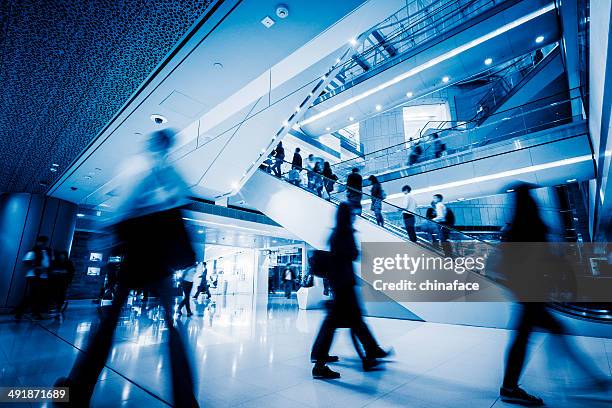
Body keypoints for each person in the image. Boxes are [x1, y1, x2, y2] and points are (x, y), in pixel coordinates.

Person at [55, 129, 199, 408]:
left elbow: (125, 204)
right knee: (171, 324)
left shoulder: (140, 166)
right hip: (162, 255)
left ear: (153, 142)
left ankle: (76, 391)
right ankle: (184, 399)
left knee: (108, 322)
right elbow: (184, 206)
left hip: (139, 247)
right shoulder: (173, 173)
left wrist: (105, 229)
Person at [497, 184, 610, 406]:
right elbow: (549, 258)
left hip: (527, 294)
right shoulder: (533, 225)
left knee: (535, 335)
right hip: (534, 294)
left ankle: (591, 379)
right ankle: (510, 387)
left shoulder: (513, 229)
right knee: (528, 337)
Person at [311, 202, 390, 379]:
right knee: (346, 321)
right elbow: (352, 254)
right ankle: (320, 363)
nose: (355, 217)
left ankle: (370, 351)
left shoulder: (336, 233)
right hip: (344, 284)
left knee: (352, 320)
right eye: (353, 214)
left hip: (340, 283)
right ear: (347, 215)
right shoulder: (344, 233)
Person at [14, 235, 52, 320]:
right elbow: (26, 262)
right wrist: (36, 267)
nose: (43, 244)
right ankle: (23, 311)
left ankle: (30, 312)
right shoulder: (33, 251)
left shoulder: (47, 252)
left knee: (36, 295)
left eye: (44, 242)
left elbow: (49, 263)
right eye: (42, 242)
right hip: (34, 276)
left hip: (43, 276)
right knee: (33, 295)